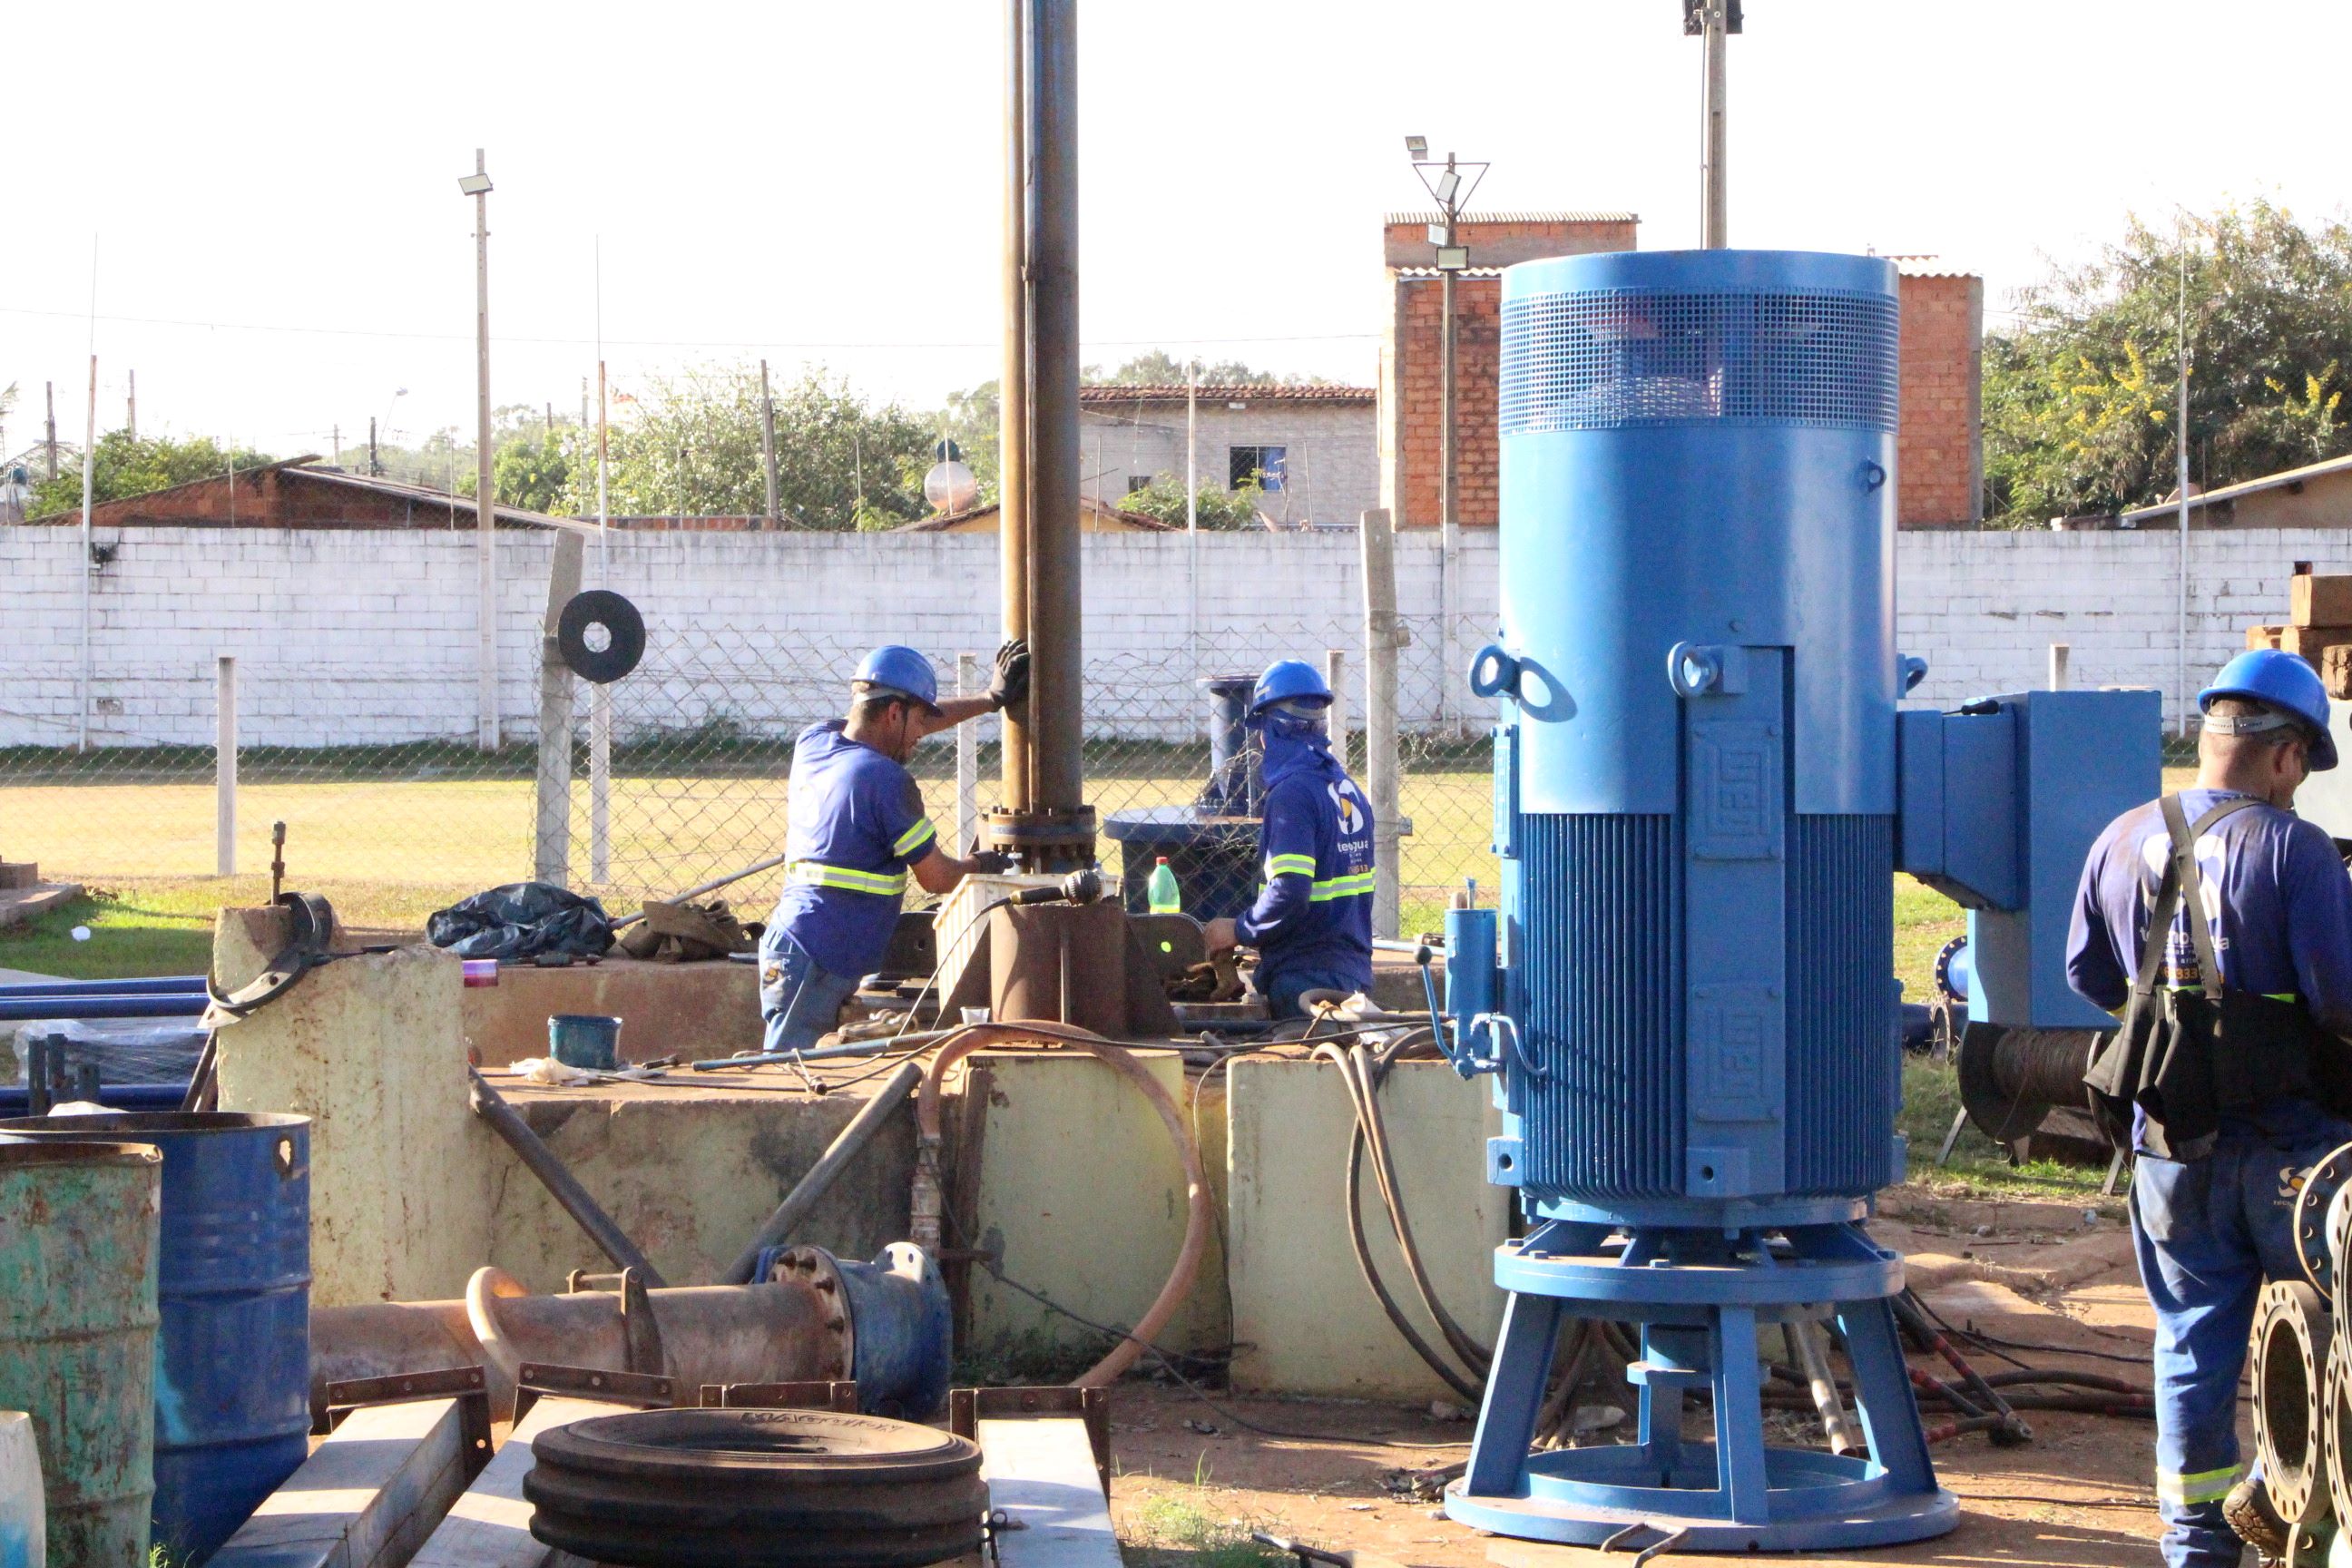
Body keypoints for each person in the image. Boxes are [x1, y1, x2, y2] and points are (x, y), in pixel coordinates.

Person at [2067, 648, 2352, 1568]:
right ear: (2286, 755)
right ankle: (2315, 1516)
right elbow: (2339, 999)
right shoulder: (2294, 849)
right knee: (2328, 1334)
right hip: (2293, 1152)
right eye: (2305, 768)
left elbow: (2088, 975)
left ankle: (2198, 1543)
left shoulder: (2118, 838)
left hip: (2169, 1151)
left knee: (2193, 1343)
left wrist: (2176, 1002)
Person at [758, 642, 1027, 1057]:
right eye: (919, 720)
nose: (922, 735)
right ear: (894, 713)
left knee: (803, 1067)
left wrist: (989, 700)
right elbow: (937, 878)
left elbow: (886, 725)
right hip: (819, 957)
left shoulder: (815, 743)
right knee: (791, 1073)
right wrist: (978, 864)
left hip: (796, 944)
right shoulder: (885, 781)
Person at [1202, 659, 1376, 1018]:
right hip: (1352, 975)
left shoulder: (1292, 795)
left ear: (1270, 729)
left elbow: (1291, 889)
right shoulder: (1347, 789)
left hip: (1304, 981)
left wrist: (1236, 929)